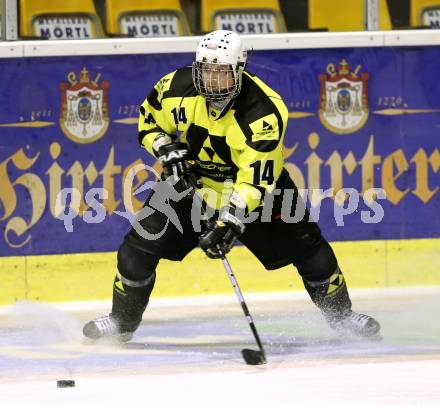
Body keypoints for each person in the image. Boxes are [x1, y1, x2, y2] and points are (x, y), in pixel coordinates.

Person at [83, 30, 380, 342]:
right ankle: (122, 323)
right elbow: (147, 122)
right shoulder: (174, 87)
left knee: (311, 252)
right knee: (136, 251)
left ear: (240, 70)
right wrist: (163, 147)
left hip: (260, 193)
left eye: (221, 73)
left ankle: (343, 318)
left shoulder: (264, 112)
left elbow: (255, 180)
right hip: (190, 184)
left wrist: (230, 220)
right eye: (205, 71)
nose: (211, 81)